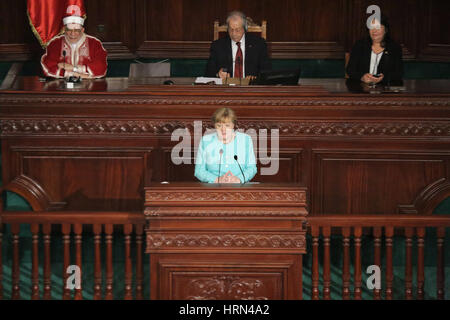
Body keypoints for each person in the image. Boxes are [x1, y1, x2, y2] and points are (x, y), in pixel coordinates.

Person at [195, 107, 257, 183]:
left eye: (227, 125)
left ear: (233, 125)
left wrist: (238, 179)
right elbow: (199, 171)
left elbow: (252, 168)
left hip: (239, 187)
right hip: (213, 188)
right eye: (219, 125)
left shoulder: (246, 140)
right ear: (214, 125)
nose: (223, 130)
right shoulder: (205, 141)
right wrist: (217, 179)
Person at [41, 10, 108, 79]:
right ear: (64, 29)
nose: (72, 34)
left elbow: (101, 68)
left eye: (76, 30)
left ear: (82, 30)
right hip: (61, 86)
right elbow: (47, 66)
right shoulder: (55, 43)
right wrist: (73, 74)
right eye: (69, 30)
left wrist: (73, 68)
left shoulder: (95, 43)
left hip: (89, 86)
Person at [205, 11, 271, 80]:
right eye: (231, 30)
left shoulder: (259, 44)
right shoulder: (217, 46)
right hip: (226, 87)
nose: (234, 34)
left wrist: (255, 78)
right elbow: (208, 73)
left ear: (245, 29)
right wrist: (218, 74)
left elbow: (266, 71)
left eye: (237, 30)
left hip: (251, 87)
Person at [346, 15, 403, 85]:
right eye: (371, 27)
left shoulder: (394, 48)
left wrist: (383, 78)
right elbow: (350, 70)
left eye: (378, 27)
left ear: (385, 30)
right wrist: (362, 77)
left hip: (384, 90)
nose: (374, 30)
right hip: (361, 88)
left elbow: (398, 73)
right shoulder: (360, 45)